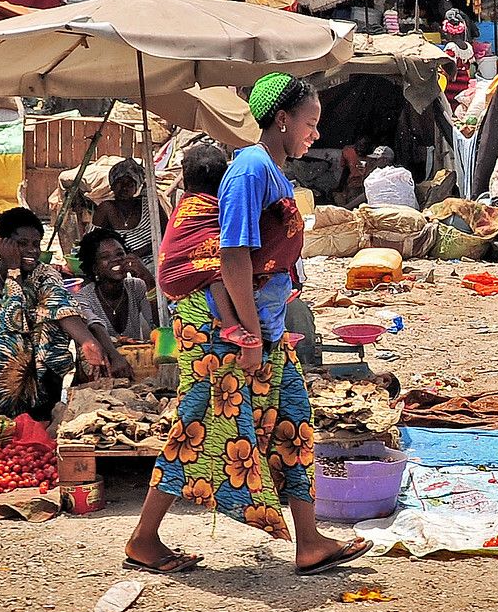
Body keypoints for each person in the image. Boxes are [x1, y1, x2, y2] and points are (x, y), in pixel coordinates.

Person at [126, 74, 370, 576]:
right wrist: (248, 333)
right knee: (198, 427)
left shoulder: (272, 172)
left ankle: (309, 543)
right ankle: (143, 539)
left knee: (293, 421)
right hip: (227, 329)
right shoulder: (250, 169)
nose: (315, 135)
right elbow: (232, 254)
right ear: (282, 119)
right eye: (310, 122)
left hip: (264, 326)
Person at [0, 207, 108, 420]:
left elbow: (59, 303)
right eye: (22, 244)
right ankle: (0, 419)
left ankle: (45, 412)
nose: (31, 250)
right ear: (1, 243)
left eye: (35, 244)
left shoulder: (44, 273)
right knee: (6, 346)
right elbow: (7, 322)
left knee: (59, 329)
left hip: (35, 365)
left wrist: (88, 342)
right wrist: (13, 272)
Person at [154, 142, 246, 345]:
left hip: (172, 281)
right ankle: (230, 323)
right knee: (221, 268)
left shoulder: (187, 204)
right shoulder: (208, 206)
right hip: (181, 277)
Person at [73, 228, 152, 378]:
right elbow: (95, 325)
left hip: (135, 366)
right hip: (101, 369)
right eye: (105, 256)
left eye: (120, 254)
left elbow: (157, 324)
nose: (116, 260)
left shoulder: (136, 286)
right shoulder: (84, 296)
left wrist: (148, 279)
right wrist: (115, 356)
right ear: (95, 267)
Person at [92, 158, 159, 284]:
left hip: (152, 261)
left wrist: (136, 255)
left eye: (130, 183)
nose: (124, 187)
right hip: (120, 264)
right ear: (112, 185)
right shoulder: (106, 208)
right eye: (119, 182)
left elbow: (165, 236)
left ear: (136, 187)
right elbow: (92, 242)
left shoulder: (150, 204)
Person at [360, 146, 419, 210]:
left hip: (382, 212)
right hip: (407, 212)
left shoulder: (396, 174)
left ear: (385, 160)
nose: (373, 162)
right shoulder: (402, 173)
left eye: (376, 159)